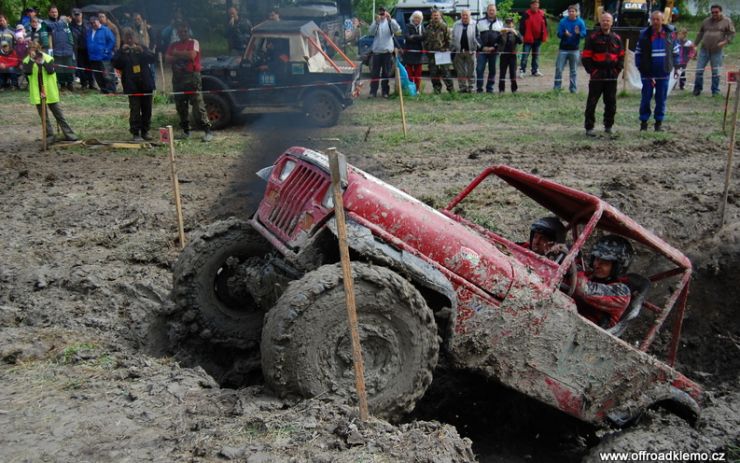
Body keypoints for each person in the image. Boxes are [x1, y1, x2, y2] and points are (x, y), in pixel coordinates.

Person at [22, 42, 78, 144]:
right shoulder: (26, 61)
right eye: (30, 49)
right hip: (37, 90)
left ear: (39, 49)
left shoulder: (48, 58)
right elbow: (28, 72)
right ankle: (49, 135)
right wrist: (32, 60)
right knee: (44, 116)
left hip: (49, 89)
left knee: (58, 114)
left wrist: (42, 62)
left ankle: (69, 134)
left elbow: (51, 71)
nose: (32, 50)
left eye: (34, 48)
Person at [166, 21, 213, 142]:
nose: (182, 33)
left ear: (188, 31)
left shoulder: (194, 42)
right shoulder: (173, 45)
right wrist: (181, 55)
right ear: (177, 33)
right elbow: (167, 59)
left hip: (192, 77)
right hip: (178, 78)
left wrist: (177, 54)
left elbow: (192, 56)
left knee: (198, 105)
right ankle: (186, 131)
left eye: (185, 31)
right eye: (180, 32)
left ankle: (207, 130)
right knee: (181, 106)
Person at [573, 235, 633, 329]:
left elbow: (583, 289)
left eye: (605, 263)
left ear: (617, 268)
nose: (596, 265)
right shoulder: (591, 275)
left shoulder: (622, 292)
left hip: (587, 333)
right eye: (596, 259)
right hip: (572, 320)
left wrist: (574, 269)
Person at [635, 11, 679, 132]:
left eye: (658, 19)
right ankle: (643, 122)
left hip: (664, 72)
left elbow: (675, 53)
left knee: (661, 99)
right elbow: (638, 53)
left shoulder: (670, 35)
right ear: (650, 20)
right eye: (653, 19)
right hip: (647, 73)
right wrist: (640, 68)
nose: (655, 22)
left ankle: (658, 123)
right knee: (646, 98)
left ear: (662, 20)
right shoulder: (644, 35)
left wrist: (677, 67)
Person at [582, 13, 624, 137]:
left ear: (612, 22)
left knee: (611, 102)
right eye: (603, 20)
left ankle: (609, 126)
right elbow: (586, 57)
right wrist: (592, 72)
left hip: (611, 75)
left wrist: (617, 71)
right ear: (600, 22)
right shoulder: (592, 37)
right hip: (597, 75)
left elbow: (621, 56)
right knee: (592, 102)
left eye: (608, 21)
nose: (606, 22)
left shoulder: (617, 38)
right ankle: (589, 127)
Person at [112, 28, 156, 141]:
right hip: (132, 85)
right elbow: (115, 63)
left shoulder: (142, 48)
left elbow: (153, 58)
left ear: (136, 38)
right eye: (127, 38)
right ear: (124, 39)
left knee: (147, 109)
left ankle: (145, 131)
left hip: (145, 84)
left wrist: (142, 51)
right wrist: (122, 52)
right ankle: (135, 132)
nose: (130, 40)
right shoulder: (122, 50)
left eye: (132, 37)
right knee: (135, 110)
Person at [692, 5, 735, 97]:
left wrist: (725, 42)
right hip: (704, 49)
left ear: (721, 12)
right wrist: (695, 44)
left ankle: (715, 91)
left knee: (716, 71)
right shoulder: (706, 21)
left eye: (716, 12)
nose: (714, 14)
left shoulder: (726, 21)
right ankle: (697, 89)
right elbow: (700, 33)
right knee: (699, 70)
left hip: (717, 51)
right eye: (712, 12)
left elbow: (732, 33)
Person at [367, 6, 401, 99]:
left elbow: (397, 30)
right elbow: (370, 32)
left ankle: (385, 92)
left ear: (386, 13)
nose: (382, 15)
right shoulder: (376, 22)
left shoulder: (390, 22)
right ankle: (373, 92)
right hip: (377, 52)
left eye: (383, 13)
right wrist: (376, 23)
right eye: (380, 13)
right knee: (375, 73)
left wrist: (390, 20)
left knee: (386, 73)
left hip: (387, 52)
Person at [554, 5, 586, 93]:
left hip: (574, 49)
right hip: (563, 49)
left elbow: (584, 34)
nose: (571, 13)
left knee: (573, 71)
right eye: (570, 11)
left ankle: (573, 89)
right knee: (559, 69)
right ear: (568, 13)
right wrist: (564, 33)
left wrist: (578, 33)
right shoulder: (563, 21)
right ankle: (557, 88)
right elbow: (559, 34)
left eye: (573, 11)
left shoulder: (580, 22)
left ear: (576, 13)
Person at [45, 6, 76, 91]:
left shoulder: (65, 23)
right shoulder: (47, 24)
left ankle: (70, 83)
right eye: (52, 12)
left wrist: (68, 23)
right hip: (56, 50)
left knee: (69, 67)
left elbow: (71, 33)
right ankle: (62, 84)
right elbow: (49, 34)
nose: (54, 13)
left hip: (67, 49)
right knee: (59, 68)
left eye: (56, 12)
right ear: (49, 13)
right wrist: (51, 51)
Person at [424, 9, 454, 94]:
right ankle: (437, 90)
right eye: (434, 15)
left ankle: (451, 90)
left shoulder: (444, 26)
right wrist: (427, 50)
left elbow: (449, 39)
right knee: (433, 73)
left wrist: (446, 49)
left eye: (437, 15)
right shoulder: (428, 27)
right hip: (431, 54)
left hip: (442, 53)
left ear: (440, 16)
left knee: (446, 73)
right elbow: (425, 40)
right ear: (431, 16)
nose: (435, 16)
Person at [475, 4, 502, 94]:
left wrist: (494, 47)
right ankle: (479, 88)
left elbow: (502, 38)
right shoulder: (479, 22)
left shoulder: (500, 23)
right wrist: (483, 47)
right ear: (487, 11)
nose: (491, 12)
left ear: (496, 11)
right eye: (490, 10)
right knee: (479, 69)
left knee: (492, 70)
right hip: (482, 51)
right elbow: (476, 36)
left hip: (494, 51)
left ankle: (489, 89)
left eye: (493, 10)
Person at [86, 15, 116, 94]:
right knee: (97, 75)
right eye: (91, 23)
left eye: (94, 22)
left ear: (98, 21)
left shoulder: (105, 30)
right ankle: (103, 89)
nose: (93, 24)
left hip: (104, 57)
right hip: (93, 57)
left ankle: (111, 90)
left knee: (107, 74)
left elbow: (112, 41)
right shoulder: (89, 31)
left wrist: (106, 50)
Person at [519, 0, 548, 78]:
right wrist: (524, 35)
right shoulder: (526, 14)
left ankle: (535, 70)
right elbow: (521, 26)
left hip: (538, 39)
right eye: (534, 4)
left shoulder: (542, 14)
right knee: (525, 56)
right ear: (531, 5)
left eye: (537, 4)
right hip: (528, 39)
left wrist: (544, 35)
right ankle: (522, 70)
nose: (535, 6)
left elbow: (545, 25)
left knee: (536, 56)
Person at [451, 9, 478, 93]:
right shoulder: (456, 24)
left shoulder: (475, 24)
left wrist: (475, 48)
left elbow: (478, 37)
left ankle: (472, 87)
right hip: (459, 52)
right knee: (460, 71)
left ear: (470, 15)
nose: (465, 17)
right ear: (461, 15)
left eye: (467, 15)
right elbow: (452, 37)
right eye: (463, 15)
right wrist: (453, 48)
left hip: (471, 51)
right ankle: (462, 87)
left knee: (471, 71)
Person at [69, 8, 94, 90]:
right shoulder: (71, 26)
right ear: (73, 16)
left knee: (90, 67)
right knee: (80, 67)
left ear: (81, 14)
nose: (77, 16)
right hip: (78, 50)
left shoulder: (88, 24)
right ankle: (84, 83)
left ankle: (91, 83)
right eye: (75, 15)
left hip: (88, 49)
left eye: (78, 14)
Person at [498, 18, 521, 93]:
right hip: (504, 55)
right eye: (507, 23)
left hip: (512, 56)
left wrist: (515, 33)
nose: (509, 25)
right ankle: (501, 89)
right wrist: (500, 34)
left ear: (513, 24)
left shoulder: (516, 32)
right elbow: (496, 41)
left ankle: (514, 89)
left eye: (510, 23)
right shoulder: (502, 32)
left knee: (513, 73)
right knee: (502, 73)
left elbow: (521, 41)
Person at [403, 10, 424, 93]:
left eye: (419, 18)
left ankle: (417, 89)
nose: (417, 19)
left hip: (419, 54)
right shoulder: (408, 26)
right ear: (412, 18)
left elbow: (424, 37)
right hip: (409, 54)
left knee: (418, 74)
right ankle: (410, 89)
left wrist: (413, 36)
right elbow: (407, 37)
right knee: (409, 73)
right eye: (415, 17)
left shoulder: (422, 27)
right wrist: (418, 37)